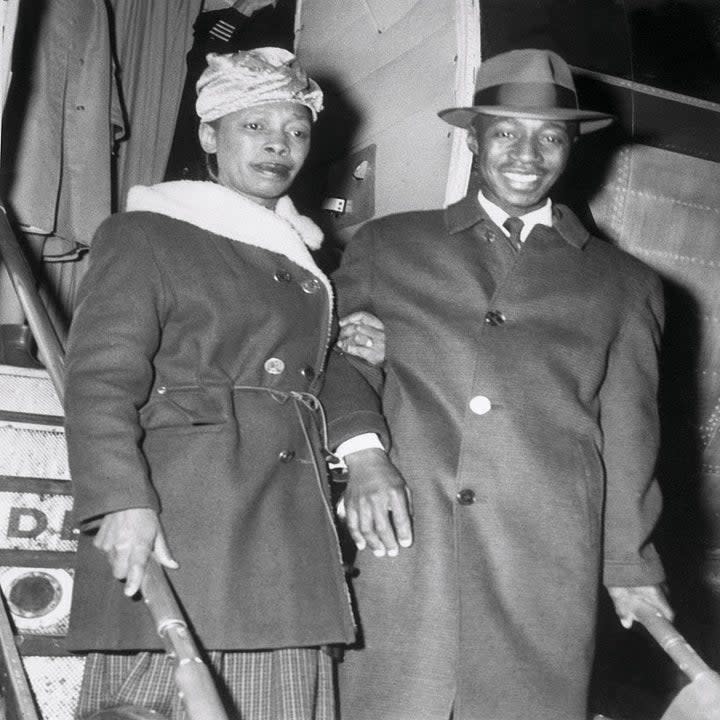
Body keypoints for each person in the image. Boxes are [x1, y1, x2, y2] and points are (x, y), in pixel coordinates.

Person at [332, 48, 674, 720]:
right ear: (474, 139)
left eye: (550, 137)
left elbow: (630, 435)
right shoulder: (389, 245)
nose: (527, 154)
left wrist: (629, 566)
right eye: (506, 133)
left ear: (572, 148)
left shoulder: (626, 285)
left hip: (544, 556)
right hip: (407, 536)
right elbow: (341, 360)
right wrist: (365, 455)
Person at [63, 47, 388, 720]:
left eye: (297, 131)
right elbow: (99, 379)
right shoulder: (147, 232)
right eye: (255, 126)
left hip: (282, 535)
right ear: (210, 136)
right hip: (183, 525)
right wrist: (120, 502)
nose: (280, 144)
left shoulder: (306, 260)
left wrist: (365, 431)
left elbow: (313, 378)